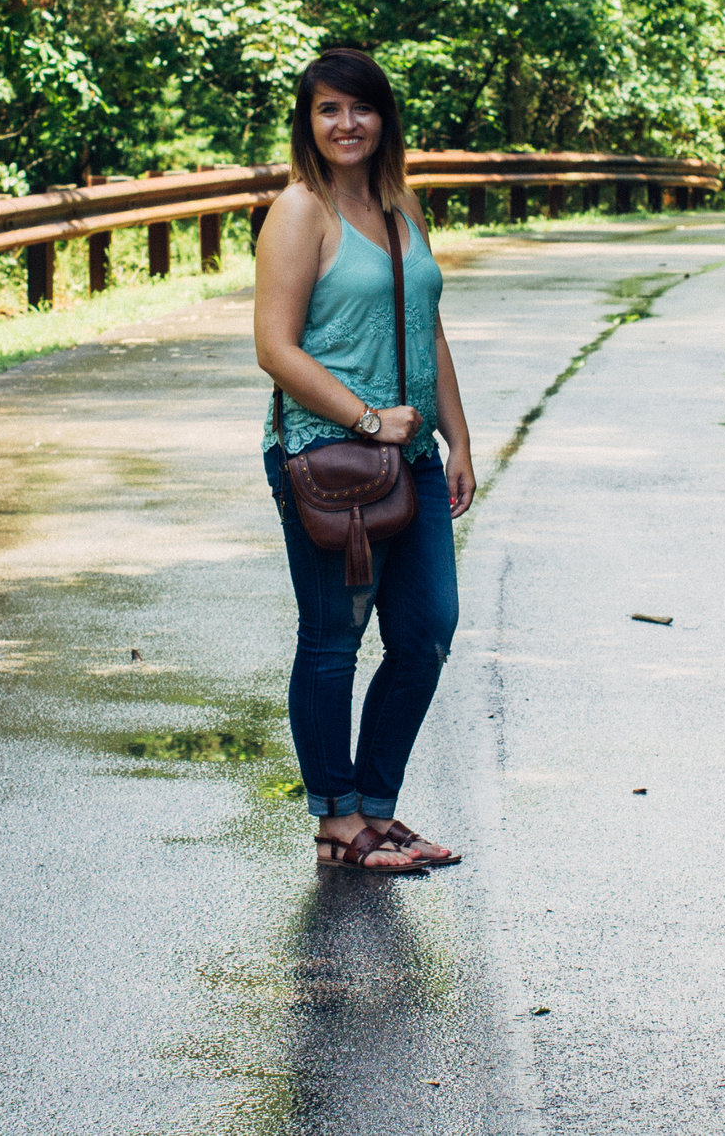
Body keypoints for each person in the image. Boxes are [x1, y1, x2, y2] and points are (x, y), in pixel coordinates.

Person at [253, 47, 476, 873]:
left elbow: (432, 326)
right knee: (333, 639)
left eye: (361, 108)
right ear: (308, 124)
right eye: (328, 111)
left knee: (425, 632)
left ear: (385, 117)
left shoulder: (399, 203)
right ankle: (338, 822)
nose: (346, 124)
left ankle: (376, 811)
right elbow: (274, 349)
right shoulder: (299, 212)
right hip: (327, 457)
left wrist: (456, 438)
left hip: (408, 452)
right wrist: (367, 417)